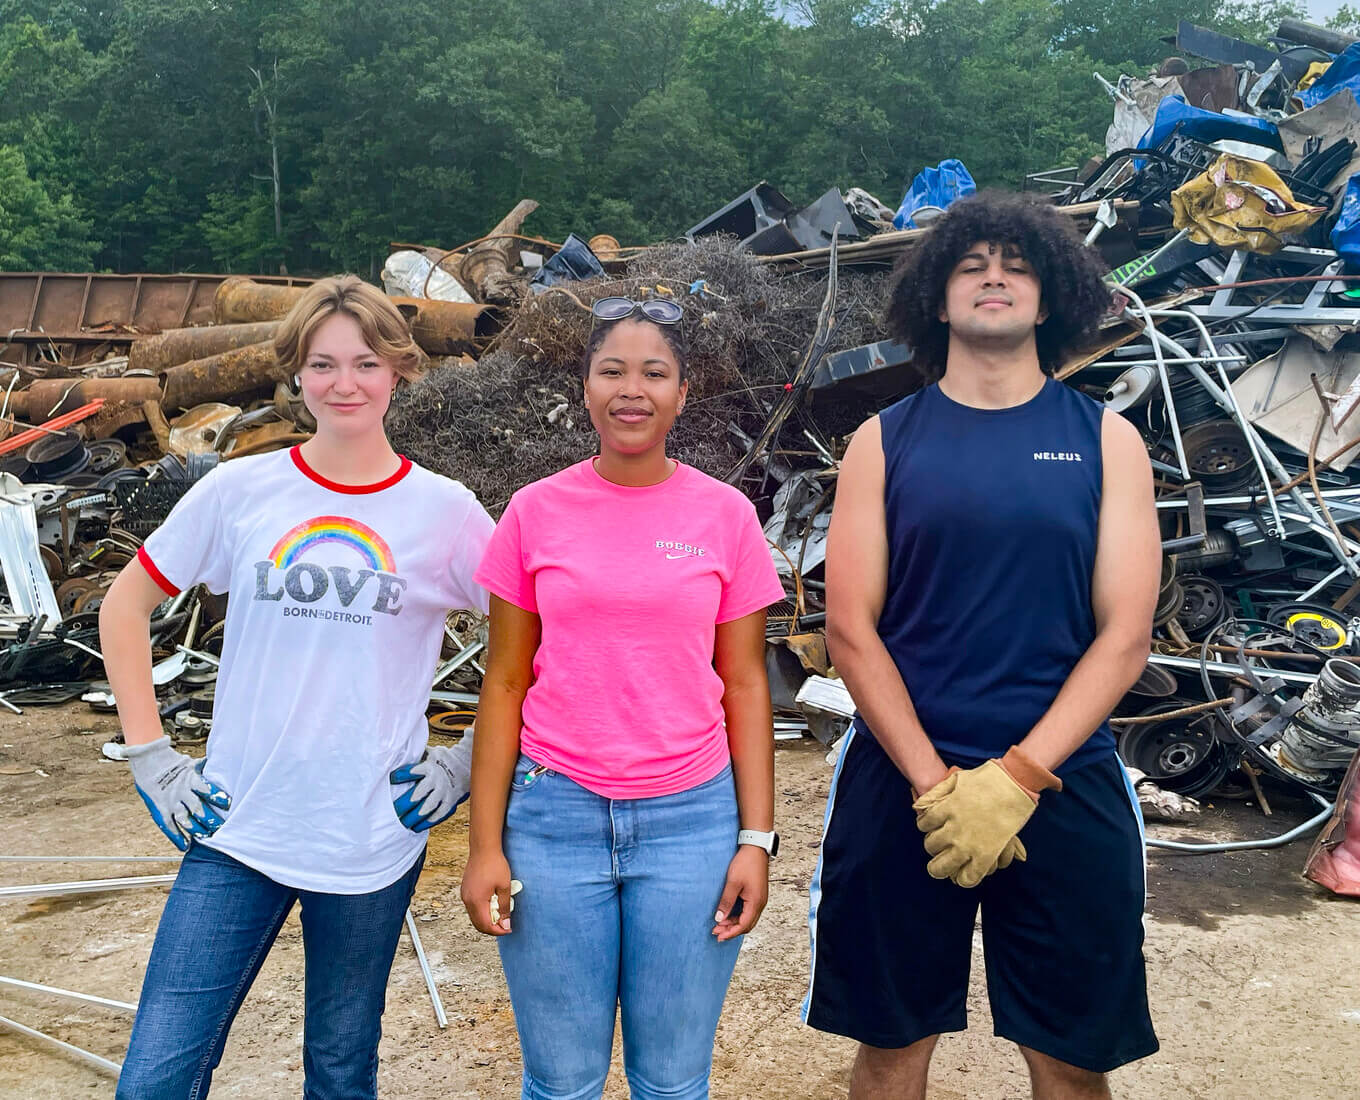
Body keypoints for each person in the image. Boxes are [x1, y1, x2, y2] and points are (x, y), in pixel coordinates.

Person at [803, 192, 1161, 1099]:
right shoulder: (881, 442)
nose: (994, 276)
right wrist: (938, 786)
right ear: (936, 296)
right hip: (902, 781)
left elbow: (1125, 637)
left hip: (1062, 779)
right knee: (891, 1046)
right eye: (971, 265)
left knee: (1074, 1058)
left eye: (1017, 265)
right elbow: (851, 629)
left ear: (1051, 301)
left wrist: (1019, 777)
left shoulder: (1107, 441)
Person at [100, 275, 494, 1098]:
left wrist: (464, 762)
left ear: (398, 371)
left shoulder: (447, 513)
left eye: (363, 363)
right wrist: (152, 757)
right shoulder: (241, 489)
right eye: (322, 364)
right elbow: (123, 606)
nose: (343, 384)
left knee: (341, 1068)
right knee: (156, 1075)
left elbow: (537, 650)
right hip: (238, 823)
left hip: (370, 835)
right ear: (297, 374)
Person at [460, 296, 785, 1100]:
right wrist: (484, 844)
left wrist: (757, 839)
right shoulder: (534, 512)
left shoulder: (725, 515)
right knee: (562, 1080)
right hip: (553, 819)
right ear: (585, 388)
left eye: (654, 373)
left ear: (681, 394)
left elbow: (746, 684)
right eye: (612, 371)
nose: (631, 390)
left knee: (672, 1082)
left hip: (692, 826)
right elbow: (503, 682)